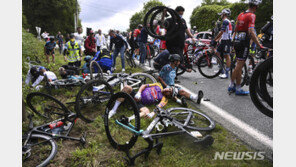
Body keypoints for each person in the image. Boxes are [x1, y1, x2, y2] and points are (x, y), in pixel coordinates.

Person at [230, 0, 265, 95]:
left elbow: (236, 29)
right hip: (244, 42)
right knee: (239, 66)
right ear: (256, 6)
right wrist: (259, 45)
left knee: (239, 65)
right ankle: (231, 85)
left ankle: (237, 88)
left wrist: (233, 41)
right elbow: (251, 31)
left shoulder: (241, 14)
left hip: (237, 41)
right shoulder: (252, 15)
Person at [108, 82, 172, 119]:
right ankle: (113, 110)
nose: (167, 90)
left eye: (169, 92)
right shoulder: (159, 85)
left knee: (146, 111)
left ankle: (129, 119)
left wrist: (152, 113)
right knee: (127, 87)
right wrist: (139, 92)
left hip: (140, 103)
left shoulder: (164, 99)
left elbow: (158, 107)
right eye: (169, 88)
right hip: (137, 95)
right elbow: (144, 85)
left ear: (169, 96)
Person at [162, 6, 196, 74]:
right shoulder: (170, 20)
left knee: (177, 59)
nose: (181, 15)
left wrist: (192, 37)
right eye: (179, 13)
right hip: (172, 44)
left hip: (180, 44)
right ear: (175, 13)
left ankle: (173, 75)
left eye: (182, 13)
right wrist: (163, 15)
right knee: (176, 59)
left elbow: (186, 30)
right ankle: (172, 76)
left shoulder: (183, 21)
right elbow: (161, 25)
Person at [213, 8, 232, 79]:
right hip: (224, 40)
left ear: (224, 14)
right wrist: (218, 39)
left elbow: (221, 32)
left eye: (221, 14)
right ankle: (221, 70)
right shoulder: (225, 21)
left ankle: (226, 73)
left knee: (227, 56)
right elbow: (223, 33)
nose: (220, 15)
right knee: (217, 53)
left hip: (227, 40)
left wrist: (215, 39)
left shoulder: (226, 21)